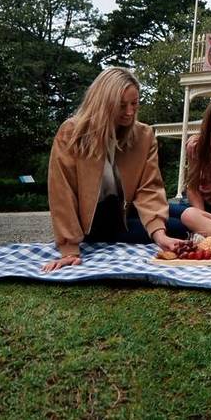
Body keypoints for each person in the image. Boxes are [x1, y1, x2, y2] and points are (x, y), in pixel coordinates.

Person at [42, 67, 186, 272]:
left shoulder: (143, 135)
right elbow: (62, 194)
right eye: (121, 106)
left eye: (134, 104)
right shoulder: (71, 133)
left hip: (125, 212)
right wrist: (69, 249)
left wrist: (159, 235)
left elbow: (149, 188)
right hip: (93, 222)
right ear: (103, 103)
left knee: (181, 222)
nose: (129, 112)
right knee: (182, 225)